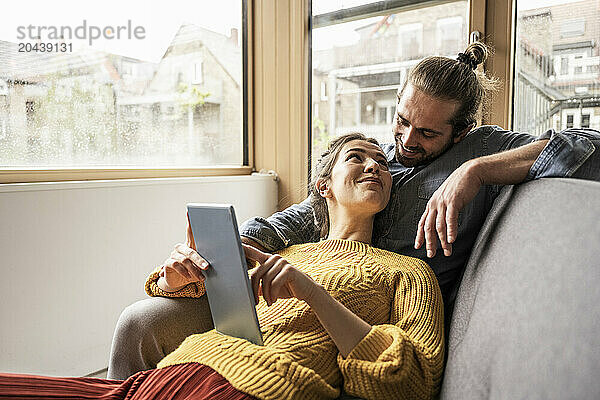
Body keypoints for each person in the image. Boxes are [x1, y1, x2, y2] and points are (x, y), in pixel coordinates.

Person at [107, 41, 600, 380]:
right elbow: (286, 226)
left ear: (462, 131)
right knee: (141, 321)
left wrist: (475, 173)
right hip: (293, 306)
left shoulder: (481, 152)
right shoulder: (375, 162)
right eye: (401, 122)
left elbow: (587, 145)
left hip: (372, 319)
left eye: (428, 134)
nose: (405, 143)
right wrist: (204, 253)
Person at [0, 133, 445, 400]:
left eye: (383, 164)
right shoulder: (286, 253)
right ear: (322, 186)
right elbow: (204, 296)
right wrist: (175, 274)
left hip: (250, 387)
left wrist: (315, 294)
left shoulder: (408, 272)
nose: (374, 166)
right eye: (358, 158)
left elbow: (411, 382)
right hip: (168, 373)